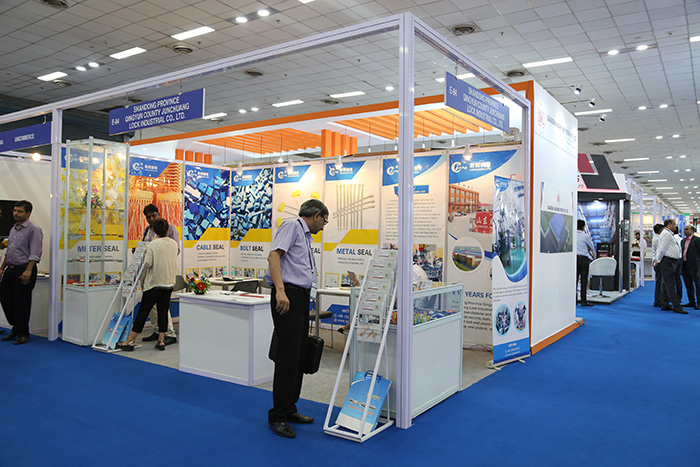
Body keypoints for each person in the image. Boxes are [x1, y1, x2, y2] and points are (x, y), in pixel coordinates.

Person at [265, 199, 328, 439]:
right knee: (288, 357)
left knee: (299, 355)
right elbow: (273, 256)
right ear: (317, 215)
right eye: (324, 221)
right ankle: (278, 416)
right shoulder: (292, 226)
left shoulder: (305, 236)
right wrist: (280, 291)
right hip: (288, 296)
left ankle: (290, 408)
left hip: (299, 298)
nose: (323, 226)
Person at [117, 218, 178, 351]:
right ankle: (161, 340)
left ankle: (130, 340)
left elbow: (148, 263)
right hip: (169, 283)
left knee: (143, 312)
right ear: (167, 229)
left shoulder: (153, 245)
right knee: (163, 312)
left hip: (154, 283)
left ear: (154, 230)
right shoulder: (174, 243)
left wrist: (139, 269)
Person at [0, 200, 43, 345]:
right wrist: (2, 268)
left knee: (22, 302)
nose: (16, 214)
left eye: (20, 211)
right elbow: (9, 252)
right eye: (14, 210)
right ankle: (16, 327)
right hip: (10, 268)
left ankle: (22, 333)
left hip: (24, 269)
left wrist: (28, 270)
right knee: (5, 298)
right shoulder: (13, 229)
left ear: (28, 213)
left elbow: (35, 252)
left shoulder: (34, 229)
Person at [139, 204, 180, 345]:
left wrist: (159, 251)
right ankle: (157, 331)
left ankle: (169, 333)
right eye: (148, 217)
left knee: (163, 306)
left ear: (159, 214)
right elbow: (146, 249)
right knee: (151, 306)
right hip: (149, 272)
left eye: (153, 215)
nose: (151, 219)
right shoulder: (147, 231)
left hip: (162, 273)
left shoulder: (170, 229)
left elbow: (176, 250)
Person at [654, 218, 686, 314]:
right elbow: (662, 249)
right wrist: (658, 260)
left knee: (665, 284)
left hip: (669, 261)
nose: (675, 226)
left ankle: (665, 304)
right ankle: (676, 306)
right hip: (667, 261)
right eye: (674, 224)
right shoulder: (666, 234)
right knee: (670, 284)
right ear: (669, 224)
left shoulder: (667, 233)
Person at [576, 219, 595, 307]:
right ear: (583, 227)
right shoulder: (585, 236)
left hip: (574, 259)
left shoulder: (572, 235)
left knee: (574, 280)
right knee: (584, 280)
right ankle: (583, 301)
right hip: (583, 259)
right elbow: (592, 247)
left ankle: (574, 300)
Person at [680, 224, 700, 309]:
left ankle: (699, 303)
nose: (684, 231)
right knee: (688, 284)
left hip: (695, 266)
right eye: (684, 229)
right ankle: (691, 301)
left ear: (692, 230)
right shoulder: (682, 241)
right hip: (685, 265)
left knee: (698, 284)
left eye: (686, 229)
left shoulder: (697, 240)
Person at [651, 224, 666, 307]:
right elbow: (660, 251)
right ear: (660, 230)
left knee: (660, 281)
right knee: (659, 282)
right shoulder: (658, 239)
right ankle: (658, 300)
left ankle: (659, 299)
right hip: (658, 262)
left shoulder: (657, 238)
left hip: (657, 261)